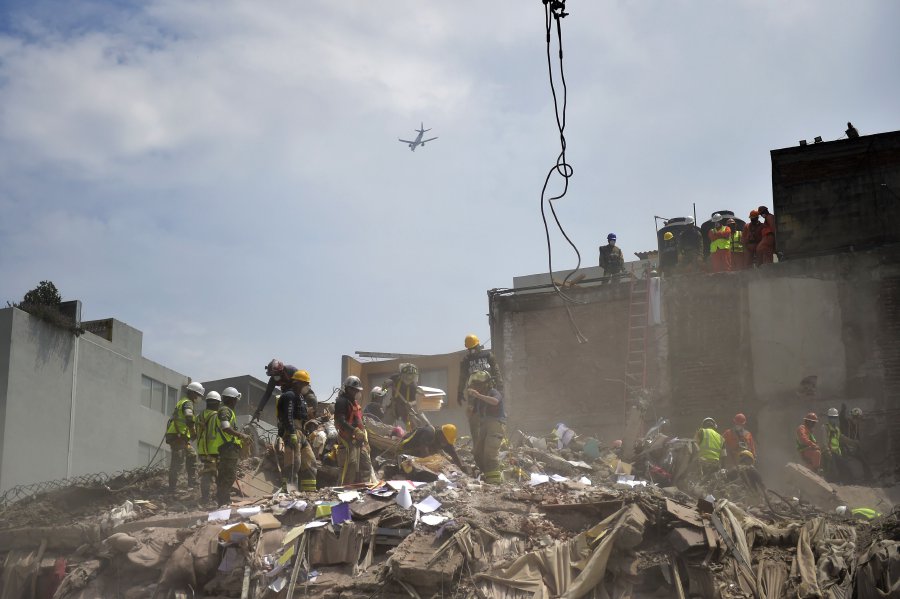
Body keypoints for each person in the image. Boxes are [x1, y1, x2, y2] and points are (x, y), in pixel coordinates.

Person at [457, 334, 503, 447]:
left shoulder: (488, 355)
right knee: (474, 418)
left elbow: (496, 371)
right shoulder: (466, 360)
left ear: (478, 345)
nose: (472, 351)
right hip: (473, 394)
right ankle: (478, 446)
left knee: (494, 416)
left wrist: (500, 387)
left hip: (489, 390)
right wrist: (459, 392)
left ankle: (496, 443)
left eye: (474, 348)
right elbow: (462, 377)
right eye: (470, 349)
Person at [276, 370, 318, 492]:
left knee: (310, 461)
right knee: (293, 465)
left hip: (301, 433)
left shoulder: (300, 397)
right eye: (305, 383)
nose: (307, 386)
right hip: (292, 432)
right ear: (297, 383)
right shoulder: (289, 395)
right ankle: (290, 492)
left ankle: (309, 492)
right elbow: (287, 416)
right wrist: (292, 432)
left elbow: (303, 416)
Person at [212, 385, 252, 506]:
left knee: (227, 475)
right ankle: (223, 501)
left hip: (229, 448)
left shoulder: (229, 412)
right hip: (227, 448)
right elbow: (225, 428)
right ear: (230, 399)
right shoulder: (225, 411)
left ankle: (223, 500)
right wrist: (241, 435)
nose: (236, 402)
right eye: (235, 400)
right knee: (228, 475)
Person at [467, 370, 506, 484]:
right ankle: (490, 476)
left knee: (490, 453)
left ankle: (494, 484)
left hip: (496, 425)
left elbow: (495, 402)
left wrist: (478, 395)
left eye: (477, 385)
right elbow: (473, 414)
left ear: (486, 384)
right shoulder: (478, 399)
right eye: (474, 385)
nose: (475, 388)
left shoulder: (493, 392)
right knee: (478, 453)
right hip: (484, 426)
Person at [334, 376, 373, 485]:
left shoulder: (355, 403)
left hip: (359, 439)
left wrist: (365, 441)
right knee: (350, 465)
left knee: (365, 464)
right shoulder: (341, 402)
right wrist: (354, 431)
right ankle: (344, 490)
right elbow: (340, 421)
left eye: (358, 390)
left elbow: (359, 422)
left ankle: (363, 488)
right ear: (347, 389)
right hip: (347, 438)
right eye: (354, 390)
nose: (357, 392)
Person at [166, 380, 203, 492]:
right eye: (198, 395)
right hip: (178, 436)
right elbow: (188, 417)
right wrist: (193, 432)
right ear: (192, 393)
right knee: (177, 461)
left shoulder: (183, 401)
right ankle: (172, 489)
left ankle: (192, 483)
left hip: (180, 436)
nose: (199, 397)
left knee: (191, 455)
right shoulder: (188, 403)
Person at [391, 424, 465, 470]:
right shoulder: (429, 432)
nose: (445, 443)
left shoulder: (444, 440)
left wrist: (461, 467)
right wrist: (432, 465)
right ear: (441, 434)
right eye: (445, 440)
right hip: (407, 449)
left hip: (420, 456)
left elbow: (453, 453)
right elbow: (424, 451)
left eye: (447, 442)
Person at [385, 363, 430, 431]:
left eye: (411, 376)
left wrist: (411, 403)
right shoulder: (395, 378)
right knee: (385, 425)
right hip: (394, 406)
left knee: (419, 425)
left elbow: (418, 400)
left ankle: (421, 433)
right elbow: (384, 386)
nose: (409, 378)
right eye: (407, 375)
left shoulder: (414, 386)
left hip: (407, 408)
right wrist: (387, 383)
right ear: (402, 375)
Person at [196, 390, 223, 504]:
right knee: (218, 473)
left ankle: (205, 498)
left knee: (207, 472)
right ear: (218, 403)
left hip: (202, 450)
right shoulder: (217, 417)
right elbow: (222, 433)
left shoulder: (199, 416)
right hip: (214, 450)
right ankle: (219, 497)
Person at [823, 408, 850, 482]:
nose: (833, 419)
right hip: (829, 452)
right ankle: (832, 482)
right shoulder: (825, 427)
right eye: (831, 417)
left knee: (845, 467)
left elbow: (841, 437)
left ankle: (845, 483)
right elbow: (824, 440)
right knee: (834, 470)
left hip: (837, 453)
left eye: (834, 417)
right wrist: (827, 450)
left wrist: (852, 442)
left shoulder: (837, 429)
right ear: (828, 418)